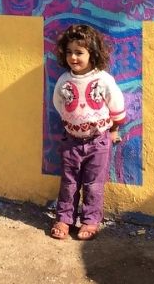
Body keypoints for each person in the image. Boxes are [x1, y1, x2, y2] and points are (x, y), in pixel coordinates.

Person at [49, 24, 126, 241]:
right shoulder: (64, 81)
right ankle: (64, 219)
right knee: (68, 182)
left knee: (93, 184)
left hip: (98, 141)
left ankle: (90, 221)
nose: (73, 57)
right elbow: (58, 103)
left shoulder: (102, 79)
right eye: (69, 52)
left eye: (79, 52)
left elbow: (116, 103)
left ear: (93, 53)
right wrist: (72, 121)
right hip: (71, 141)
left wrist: (114, 129)